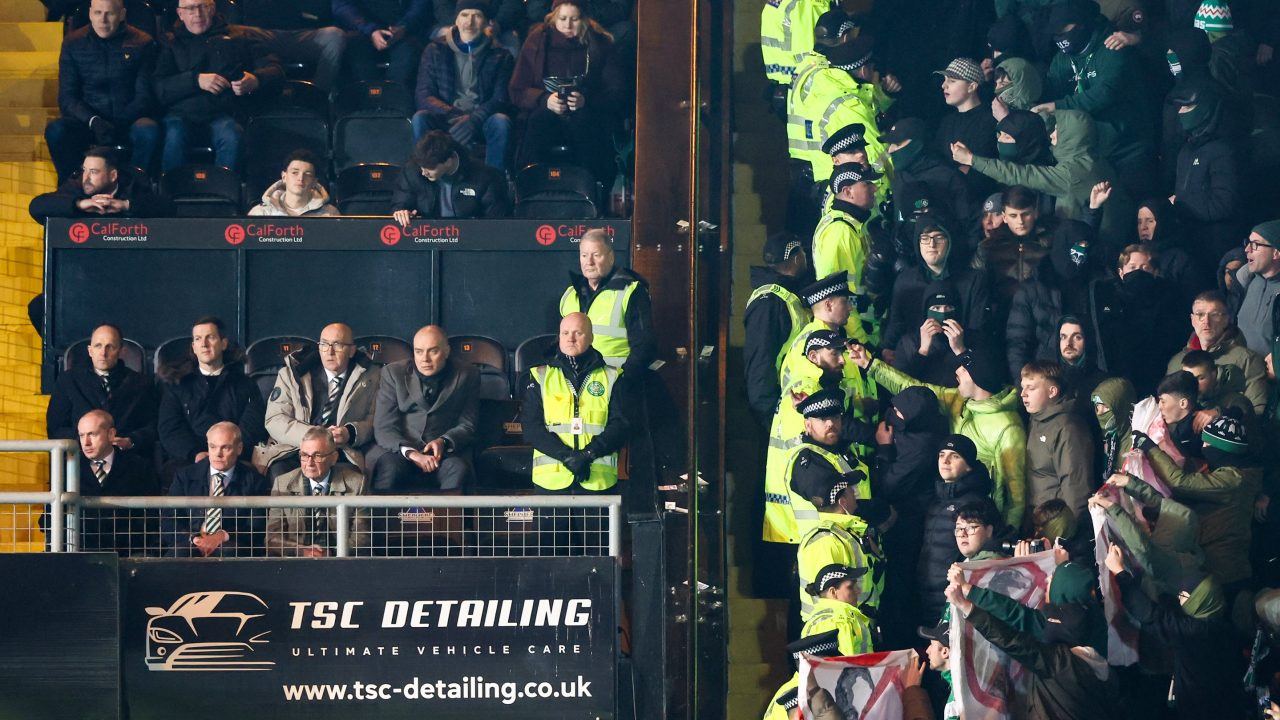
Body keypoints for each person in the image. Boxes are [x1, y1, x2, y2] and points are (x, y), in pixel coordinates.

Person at [849, 344, 1028, 530]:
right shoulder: (960, 401)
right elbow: (915, 390)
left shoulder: (1007, 426)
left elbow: (1016, 495)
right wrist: (871, 366)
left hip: (980, 522)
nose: (957, 372)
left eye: (964, 370)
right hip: (946, 505)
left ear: (978, 378)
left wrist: (1003, 536)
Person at [944, 562, 1121, 720]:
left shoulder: (1060, 663)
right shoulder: (1095, 632)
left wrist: (967, 605)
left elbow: (1012, 637)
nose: (1047, 581)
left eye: (1054, 580)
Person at [1104, 545, 1245, 720]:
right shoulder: (1220, 624)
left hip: (1199, 708)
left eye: (1186, 596)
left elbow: (1148, 613)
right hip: (1223, 702)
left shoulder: (1194, 632)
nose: (1180, 598)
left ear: (1200, 601)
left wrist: (1119, 571)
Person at [1134, 410, 1262, 601]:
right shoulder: (1230, 474)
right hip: (1219, 567)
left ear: (1222, 449)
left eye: (1207, 443)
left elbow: (1181, 482)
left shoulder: (1233, 481)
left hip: (1226, 572)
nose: (1203, 447)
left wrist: (1150, 448)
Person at [953, 111, 1130, 243]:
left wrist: (971, 159)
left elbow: (1022, 175)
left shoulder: (1072, 172)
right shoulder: (1094, 161)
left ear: (1072, 137)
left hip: (1088, 243)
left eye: (1058, 132)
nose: (1051, 136)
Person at [1033, 0, 1153, 193]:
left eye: (1065, 28)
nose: (1060, 36)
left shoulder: (1112, 46)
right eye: (1056, 32)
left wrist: (1058, 106)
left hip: (1127, 148)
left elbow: (1105, 93)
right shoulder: (1061, 59)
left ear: (1082, 23)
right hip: (1089, 151)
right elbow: (1052, 90)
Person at [153, 0, 282, 172]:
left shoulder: (240, 36)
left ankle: (225, 193)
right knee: (174, 137)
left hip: (224, 113)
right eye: (190, 8)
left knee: (232, 136)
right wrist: (195, 80)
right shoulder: (169, 42)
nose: (197, 14)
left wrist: (256, 80)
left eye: (203, 7)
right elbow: (159, 87)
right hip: (181, 114)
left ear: (212, 9)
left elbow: (276, 70)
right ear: (180, 14)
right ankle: (170, 194)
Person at [508, 0, 625, 185]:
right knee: (538, 122)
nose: (568, 25)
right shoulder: (537, 39)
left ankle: (591, 189)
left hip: (587, 112)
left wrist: (586, 100)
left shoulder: (600, 43)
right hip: (545, 110)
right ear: (554, 18)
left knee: (585, 124)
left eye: (574, 19)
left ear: (584, 20)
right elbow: (517, 89)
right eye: (562, 19)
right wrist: (544, 99)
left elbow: (616, 91)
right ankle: (530, 188)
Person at [45, 0, 159, 183]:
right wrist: (94, 121)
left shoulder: (143, 43)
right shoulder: (73, 43)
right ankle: (71, 186)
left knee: (148, 130)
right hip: (89, 122)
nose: (103, 20)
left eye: (110, 14)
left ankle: (136, 187)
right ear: (90, 14)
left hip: (129, 119)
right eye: (98, 13)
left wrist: (120, 121)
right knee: (57, 130)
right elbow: (67, 97)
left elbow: (144, 95)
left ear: (122, 15)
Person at [521, 312, 631, 494]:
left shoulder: (613, 377)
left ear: (591, 337)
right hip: (551, 482)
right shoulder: (539, 376)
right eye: (565, 333)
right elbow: (532, 428)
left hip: (597, 480)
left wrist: (588, 454)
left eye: (578, 333)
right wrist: (567, 457)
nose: (570, 338)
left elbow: (620, 425)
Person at [259, 323, 380, 480]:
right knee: (280, 472)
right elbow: (275, 419)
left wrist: (349, 432)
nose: (329, 352)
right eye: (324, 344)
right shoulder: (291, 374)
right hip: (296, 449)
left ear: (351, 350)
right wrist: (314, 438)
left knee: (351, 478)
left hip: (341, 451)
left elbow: (375, 420)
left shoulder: (373, 376)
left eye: (337, 345)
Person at [370, 325, 479, 493]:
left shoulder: (468, 374)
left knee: (458, 469)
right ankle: (381, 521)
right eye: (419, 351)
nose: (424, 359)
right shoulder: (393, 373)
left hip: (445, 453)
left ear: (447, 351)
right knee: (389, 469)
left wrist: (444, 441)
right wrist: (412, 453)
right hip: (400, 451)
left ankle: (449, 521)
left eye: (433, 351)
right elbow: (384, 427)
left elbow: (468, 424)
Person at [412, 0, 515, 170]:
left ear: (487, 22)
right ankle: (425, 179)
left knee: (500, 122)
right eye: (464, 15)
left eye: (477, 16)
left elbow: (500, 98)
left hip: (480, 119)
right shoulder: (435, 49)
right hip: (446, 116)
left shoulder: (500, 55)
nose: (469, 21)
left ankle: (494, 181)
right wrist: (453, 114)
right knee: (420, 118)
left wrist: (474, 119)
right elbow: (424, 95)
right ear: (456, 20)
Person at [157, 316, 266, 467]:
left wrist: (228, 454)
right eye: (198, 339)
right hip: (189, 461)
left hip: (234, 461)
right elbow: (170, 429)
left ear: (223, 344)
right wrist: (195, 453)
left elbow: (252, 426)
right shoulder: (177, 384)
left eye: (211, 337)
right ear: (193, 347)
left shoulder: (245, 384)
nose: (204, 344)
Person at [885, 214, 988, 366]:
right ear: (917, 243)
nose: (931, 244)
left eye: (939, 237)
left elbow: (978, 327)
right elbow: (896, 321)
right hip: (916, 356)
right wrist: (887, 346)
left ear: (950, 241)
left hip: (960, 358)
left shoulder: (973, 280)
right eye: (925, 238)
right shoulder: (905, 280)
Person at [792, 452, 881, 625]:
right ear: (842, 501)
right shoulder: (826, 542)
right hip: (839, 631)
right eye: (851, 491)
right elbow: (834, 599)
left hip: (855, 625)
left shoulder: (843, 533)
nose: (855, 493)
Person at [1006, 220, 1099, 383]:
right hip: (1047, 380)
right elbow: (1018, 343)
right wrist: (1024, 385)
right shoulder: (1033, 288)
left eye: (1085, 246)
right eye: (1076, 245)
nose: (1081, 251)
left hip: (1092, 378)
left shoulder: (1098, 282)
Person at [47, 323, 158, 456]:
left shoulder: (141, 383)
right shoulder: (68, 380)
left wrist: (131, 441)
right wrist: (89, 441)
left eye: (110, 347)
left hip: (127, 459)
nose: (103, 353)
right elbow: (56, 428)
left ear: (121, 351)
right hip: (80, 459)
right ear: (90, 350)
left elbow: (153, 426)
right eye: (98, 346)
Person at [918, 438, 996, 626]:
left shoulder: (978, 503)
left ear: (968, 466)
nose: (945, 461)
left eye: (954, 456)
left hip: (954, 596)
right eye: (941, 455)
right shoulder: (934, 500)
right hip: (926, 596)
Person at [163, 422, 270, 557]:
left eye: (225, 448)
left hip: (231, 544)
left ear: (239, 448)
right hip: (191, 542)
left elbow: (256, 527)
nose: (218, 454)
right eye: (213, 447)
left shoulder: (255, 481)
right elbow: (169, 520)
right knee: (180, 552)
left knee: (229, 551)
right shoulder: (185, 476)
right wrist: (194, 539)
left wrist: (221, 536)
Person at [558, 229, 656, 376]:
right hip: (575, 384)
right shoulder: (570, 295)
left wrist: (622, 381)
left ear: (611, 257)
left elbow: (644, 348)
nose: (589, 262)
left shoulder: (631, 292)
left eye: (596, 255)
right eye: (584, 255)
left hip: (617, 384)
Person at [1094, 472, 1204, 598]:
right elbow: (1161, 504)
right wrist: (1131, 482)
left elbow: (1142, 548)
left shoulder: (1171, 567)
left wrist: (1112, 508)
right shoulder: (1188, 521)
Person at [1170, 77, 1241, 271]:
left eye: (1187, 106)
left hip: (1216, 246)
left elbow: (1224, 204)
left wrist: (1180, 203)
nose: (1180, 111)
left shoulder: (1223, 150)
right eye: (1179, 107)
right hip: (1190, 240)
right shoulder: (1186, 150)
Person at [265, 427, 369, 557]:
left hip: (341, 563)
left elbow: (363, 537)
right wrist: (302, 550)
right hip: (297, 563)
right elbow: (272, 539)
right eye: (304, 455)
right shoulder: (282, 484)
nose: (309, 463)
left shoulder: (357, 484)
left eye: (317, 456)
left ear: (334, 457)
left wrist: (331, 553)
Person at [69, 409, 160, 552]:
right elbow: (49, 518)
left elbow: (152, 516)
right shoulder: (68, 468)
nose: (86, 443)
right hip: (81, 553)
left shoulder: (139, 467)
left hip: (129, 552)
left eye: (92, 434)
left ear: (111, 434)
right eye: (81, 435)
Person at [745, 233, 812, 426]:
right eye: (803, 252)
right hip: (780, 411)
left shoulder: (786, 294)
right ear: (797, 257)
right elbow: (760, 363)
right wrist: (771, 418)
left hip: (792, 403)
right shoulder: (769, 302)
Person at [812, 162, 882, 343]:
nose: (875, 188)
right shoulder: (839, 233)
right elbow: (838, 299)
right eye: (867, 184)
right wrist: (861, 342)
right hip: (856, 334)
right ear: (848, 192)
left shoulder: (853, 223)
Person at [1167, 291, 1268, 413]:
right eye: (1200, 314)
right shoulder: (1176, 362)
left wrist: (1221, 415)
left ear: (1226, 319)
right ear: (1192, 320)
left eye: (1214, 315)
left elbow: (1257, 412)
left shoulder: (1247, 360)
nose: (1206, 321)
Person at [1021, 360, 1093, 520]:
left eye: (1031, 388)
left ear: (1052, 391)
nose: (1023, 393)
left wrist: (1066, 533)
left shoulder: (1068, 428)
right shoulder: (1036, 419)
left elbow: (1075, 486)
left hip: (1056, 526)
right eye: (1023, 387)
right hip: (1038, 521)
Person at [391, 131, 511, 222]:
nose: (423, 172)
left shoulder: (486, 177)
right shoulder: (412, 171)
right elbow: (400, 204)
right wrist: (402, 212)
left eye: (430, 168)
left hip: (470, 241)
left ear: (448, 161)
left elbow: (496, 222)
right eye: (421, 167)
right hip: (425, 237)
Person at [28, 146, 171, 222]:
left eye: (94, 172)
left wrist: (124, 205)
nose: (86, 177)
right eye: (84, 170)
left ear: (113, 175)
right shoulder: (77, 185)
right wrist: (79, 204)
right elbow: (37, 206)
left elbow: (167, 207)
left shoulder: (132, 183)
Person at [882, 118, 974, 233]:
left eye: (897, 144)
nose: (890, 150)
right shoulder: (899, 175)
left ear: (916, 144)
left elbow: (966, 224)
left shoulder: (948, 176)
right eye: (890, 144)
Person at [933, 57, 998, 199]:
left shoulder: (990, 119)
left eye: (952, 81)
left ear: (972, 87)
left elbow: (985, 168)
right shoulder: (947, 122)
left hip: (980, 200)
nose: (944, 85)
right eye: (944, 80)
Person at [333, 0, 429, 88]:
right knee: (357, 56)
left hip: (405, 32)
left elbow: (420, 6)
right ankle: (366, 100)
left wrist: (404, 26)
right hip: (362, 32)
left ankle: (394, 99)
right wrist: (370, 30)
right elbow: (342, 6)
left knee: (407, 55)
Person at [800, 563, 875, 656]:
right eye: (850, 587)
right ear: (833, 592)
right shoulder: (839, 619)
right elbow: (846, 666)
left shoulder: (822, 618)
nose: (858, 591)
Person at [248, 150, 339, 217]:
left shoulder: (330, 214)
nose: (301, 178)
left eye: (307, 174)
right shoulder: (261, 213)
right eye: (295, 173)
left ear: (314, 182)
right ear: (284, 177)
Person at [1236, 221, 1280, 357]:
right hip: (1240, 368)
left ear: (1276, 253)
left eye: (1255, 244)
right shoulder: (1246, 280)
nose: (1247, 249)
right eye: (1248, 243)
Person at [1180, 350, 1254, 420]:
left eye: (1201, 378)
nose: (1194, 384)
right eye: (1189, 379)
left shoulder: (1236, 400)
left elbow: (1243, 411)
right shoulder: (1185, 401)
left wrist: (1219, 413)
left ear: (1214, 374)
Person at [1054, 316, 1104, 418]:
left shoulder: (1102, 382)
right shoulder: (1052, 379)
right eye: (1063, 337)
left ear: (1088, 340)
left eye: (1077, 337)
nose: (1068, 343)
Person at [1091, 377, 1135, 479]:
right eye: (1097, 406)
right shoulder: (1106, 438)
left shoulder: (1139, 441)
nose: (1100, 413)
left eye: (1106, 407)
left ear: (1121, 406)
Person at [918, 618, 960, 720]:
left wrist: (914, 691)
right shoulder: (959, 684)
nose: (927, 650)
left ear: (945, 652)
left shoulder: (955, 703)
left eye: (932, 645)